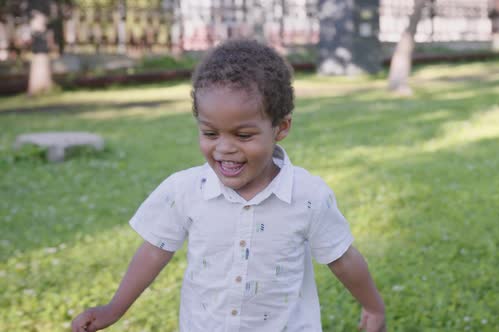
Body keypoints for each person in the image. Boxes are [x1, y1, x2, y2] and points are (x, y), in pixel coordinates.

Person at [71, 39, 386, 332]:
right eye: (210, 133)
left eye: (243, 135)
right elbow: (155, 251)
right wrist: (114, 309)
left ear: (281, 127)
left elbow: (342, 258)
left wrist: (373, 306)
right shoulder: (184, 190)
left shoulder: (308, 196)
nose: (224, 149)